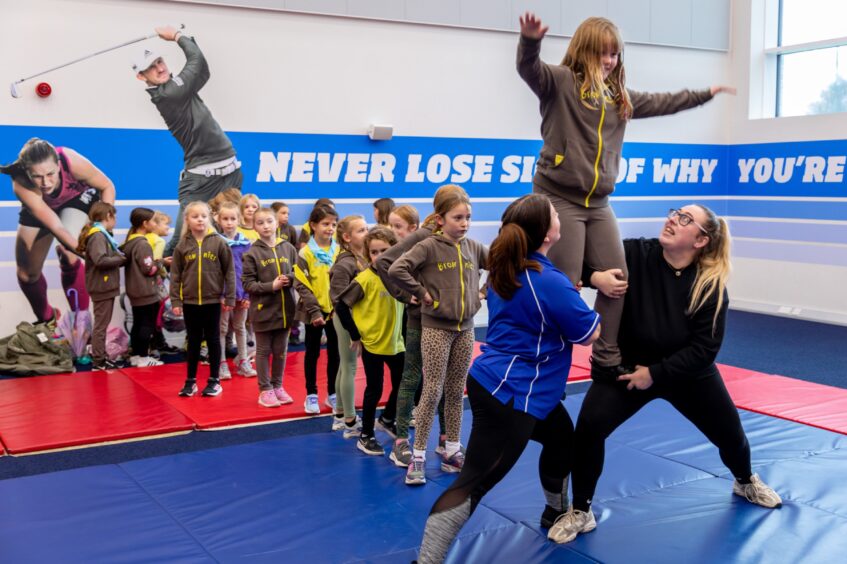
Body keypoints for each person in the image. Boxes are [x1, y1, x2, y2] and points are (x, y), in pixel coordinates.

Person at [516, 12, 735, 381]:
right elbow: (529, 68)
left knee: (618, 278)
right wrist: (530, 41)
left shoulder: (621, 99)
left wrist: (704, 94)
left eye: (614, 54)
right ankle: (550, 358)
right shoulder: (560, 82)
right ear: (584, 51)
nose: (609, 61)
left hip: (598, 203)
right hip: (558, 195)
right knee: (565, 283)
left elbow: (664, 101)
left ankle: (605, 357)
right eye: (602, 53)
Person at [548, 205, 782, 545]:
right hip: (627, 369)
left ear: (701, 240)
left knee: (731, 434)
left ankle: (745, 479)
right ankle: (581, 510)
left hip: (687, 374)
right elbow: (577, 260)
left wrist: (655, 375)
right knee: (588, 430)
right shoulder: (635, 253)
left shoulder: (710, 285)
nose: (673, 219)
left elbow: (704, 350)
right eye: (675, 213)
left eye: (685, 219)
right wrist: (595, 276)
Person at [416, 194, 600, 564]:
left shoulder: (510, 268)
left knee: (563, 438)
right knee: (473, 483)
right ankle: (426, 561)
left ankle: (554, 511)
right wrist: (601, 293)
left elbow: (539, 314)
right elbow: (588, 334)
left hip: (507, 384)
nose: (559, 216)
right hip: (513, 394)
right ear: (546, 233)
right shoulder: (546, 280)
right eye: (554, 214)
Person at [389, 186, 488, 485]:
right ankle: (417, 456)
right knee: (432, 390)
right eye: (458, 217)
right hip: (435, 329)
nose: (465, 223)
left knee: (457, 391)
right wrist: (421, 293)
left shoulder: (472, 247)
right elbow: (397, 268)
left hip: (465, 328)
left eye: (468, 217)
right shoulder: (429, 246)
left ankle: (453, 450)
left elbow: (499, 264)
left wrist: (482, 292)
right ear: (440, 218)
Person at [133, 25, 242, 256]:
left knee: (227, 231)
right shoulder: (168, 93)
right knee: (181, 238)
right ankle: (158, 279)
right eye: (151, 68)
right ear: (141, 76)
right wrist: (177, 36)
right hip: (200, 181)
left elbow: (203, 71)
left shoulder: (178, 88)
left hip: (229, 171)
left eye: (159, 61)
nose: (159, 68)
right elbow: (197, 62)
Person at [376, 198, 454, 468]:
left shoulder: (452, 236)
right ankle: (400, 442)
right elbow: (384, 263)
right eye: (458, 215)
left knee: (442, 379)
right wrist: (406, 294)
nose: (464, 222)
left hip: (446, 320)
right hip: (419, 319)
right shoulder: (423, 235)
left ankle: (445, 440)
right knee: (412, 376)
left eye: (398, 226)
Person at [1, 138, 115, 324]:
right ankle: (48, 319)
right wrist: (90, 256)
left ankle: (81, 322)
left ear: (58, 165)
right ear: (26, 172)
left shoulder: (71, 161)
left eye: (50, 174)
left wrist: (103, 229)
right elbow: (56, 226)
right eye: (36, 176)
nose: (45, 182)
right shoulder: (21, 183)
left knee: (67, 254)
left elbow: (107, 186)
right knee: (26, 274)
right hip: (42, 206)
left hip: (77, 199)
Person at [336, 226, 405, 456]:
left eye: (385, 250)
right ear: (368, 255)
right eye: (374, 252)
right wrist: (355, 334)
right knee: (373, 390)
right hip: (374, 344)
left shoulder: (400, 275)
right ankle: (366, 435)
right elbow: (341, 305)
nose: (380, 256)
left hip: (397, 343)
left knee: (404, 384)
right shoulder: (364, 279)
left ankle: (386, 418)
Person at [170, 201, 235, 397]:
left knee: (214, 340)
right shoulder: (182, 246)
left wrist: (229, 297)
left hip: (213, 301)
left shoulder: (219, 242)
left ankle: (214, 380)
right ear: (187, 220)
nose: (200, 219)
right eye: (195, 216)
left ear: (210, 219)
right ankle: (190, 381)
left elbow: (229, 272)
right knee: (194, 341)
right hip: (190, 302)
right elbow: (175, 276)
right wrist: (176, 301)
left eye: (203, 216)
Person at [241, 208, 298, 408]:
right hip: (263, 311)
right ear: (254, 227)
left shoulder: (288, 248)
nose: (266, 226)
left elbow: (298, 273)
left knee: (281, 351)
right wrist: (270, 287)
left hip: (286, 311)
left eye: (269, 221)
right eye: (260, 223)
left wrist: (289, 279)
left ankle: (278, 386)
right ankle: (265, 390)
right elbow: (248, 284)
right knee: (264, 351)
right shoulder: (251, 253)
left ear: (277, 223)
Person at [294, 205, 340, 414]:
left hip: (335, 311)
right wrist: (314, 312)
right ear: (313, 225)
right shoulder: (305, 253)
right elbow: (302, 285)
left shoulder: (339, 250)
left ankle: (332, 393)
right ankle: (311, 394)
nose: (330, 228)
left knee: (335, 354)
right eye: (325, 224)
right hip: (312, 312)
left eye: (333, 224)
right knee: (312, 353)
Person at [328, 215, 369, 436]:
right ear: (347, 237)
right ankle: (351, 421)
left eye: (366, 228)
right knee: (350, 367)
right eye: (361, 230)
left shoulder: (359, 259)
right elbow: (338, 299)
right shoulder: (346, 264)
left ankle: (340, 414)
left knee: (346, 365)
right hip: (346, 320)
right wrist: (352, 329)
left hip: (354, 318)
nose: (366, 232)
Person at [78, 202, 126, 371]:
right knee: (101, 325)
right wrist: (121, 259)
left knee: (102, 324)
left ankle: (101, 357)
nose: (116, 221)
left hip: (104, 285)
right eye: (115, 217)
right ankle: (98, 361)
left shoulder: (102, 234)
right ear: (108, 216)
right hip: (102, 286)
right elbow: (100, 260)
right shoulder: (98, 235)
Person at [214, 200, 255, 379]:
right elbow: (215, 273)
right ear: (219, 221)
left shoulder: (246, 244)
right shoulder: (216, 243)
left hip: (242, 293)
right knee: (222, 329)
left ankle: (243, 361)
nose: (229, 222)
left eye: (233, 218)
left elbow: (250, 271)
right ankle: (221, 363)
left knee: (240, 327)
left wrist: (247, 294)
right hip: (225, 295)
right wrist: (222, 295)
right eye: (225, 219)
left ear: (239, 220)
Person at [122, 208, 165, 367]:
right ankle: (143, 357)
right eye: (153, 221)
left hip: (135, 291)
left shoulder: (130, 242)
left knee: (138, 323)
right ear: (145, 224)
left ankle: (136, 355)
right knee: (146, 324)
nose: (155, 224)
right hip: (145, 291)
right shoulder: (142, 244)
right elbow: (149, 269)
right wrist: (160, 262)